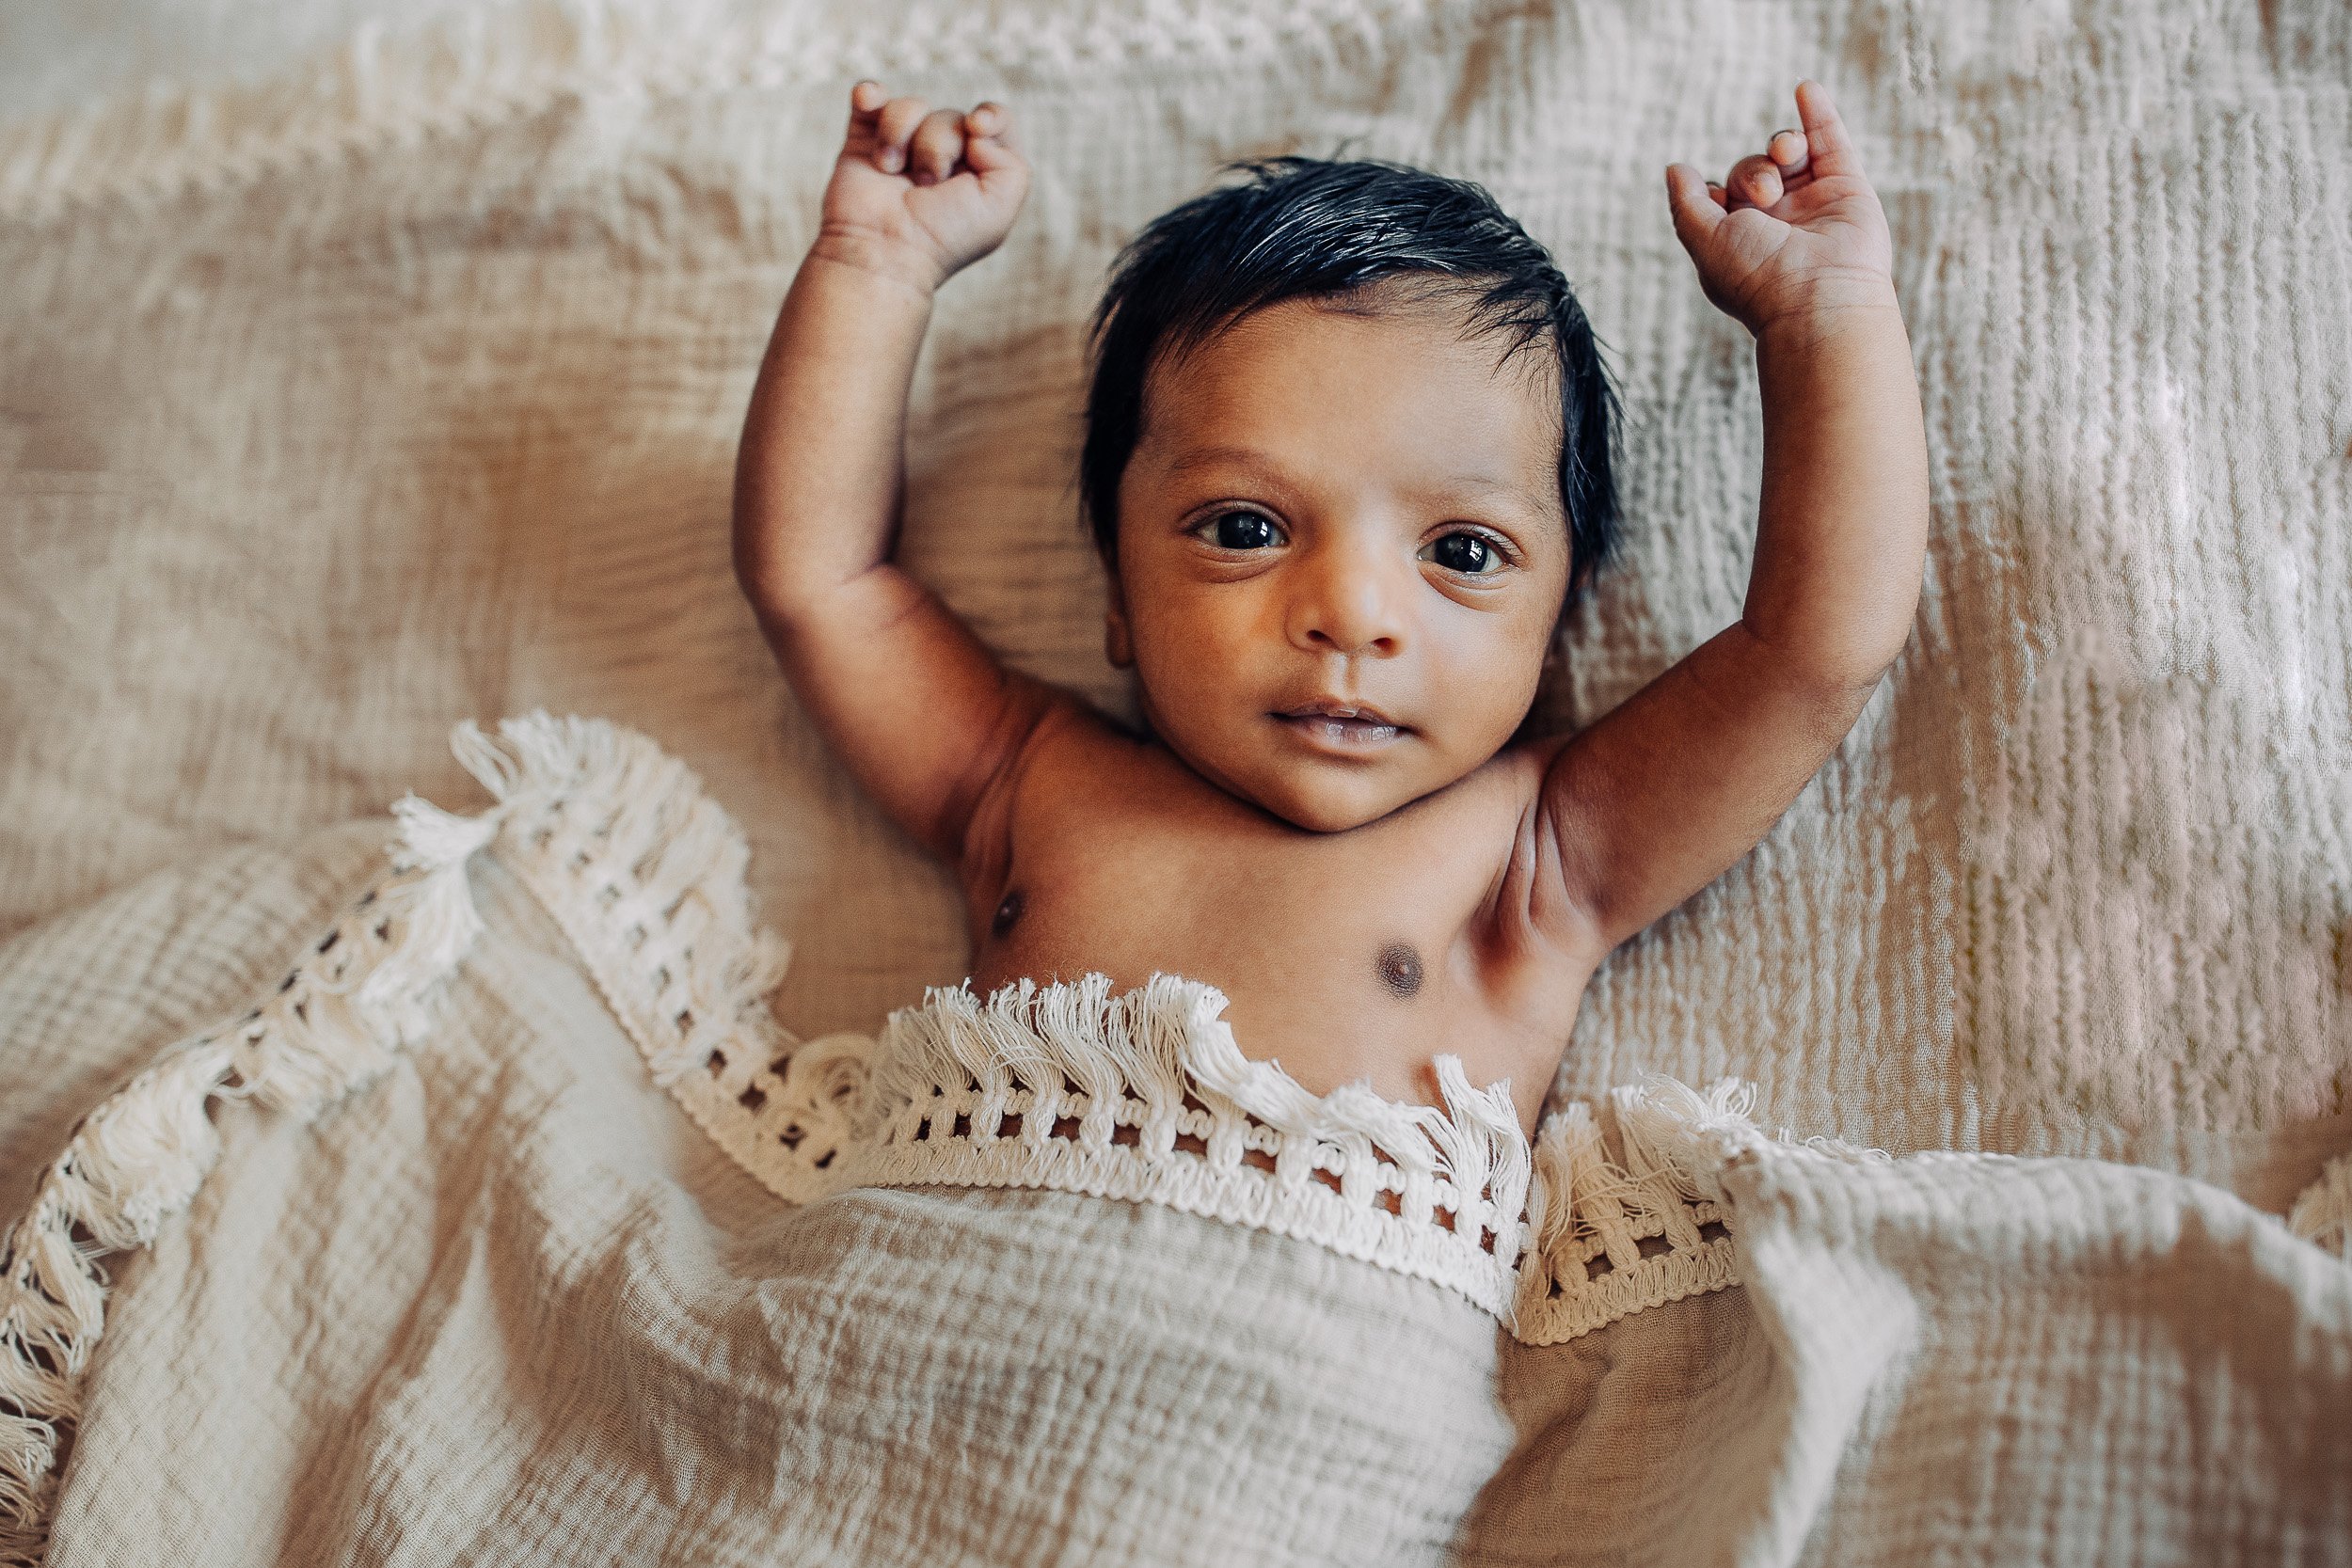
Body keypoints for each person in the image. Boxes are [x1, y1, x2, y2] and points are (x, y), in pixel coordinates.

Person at [732, 77, 1927, 1148]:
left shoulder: (1538, 855)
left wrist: (1824, 319)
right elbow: (819, 578)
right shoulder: (1021, 778)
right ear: (1116, 595)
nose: (1350, 615)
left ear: (1559, 624)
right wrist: (871, 266)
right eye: (1245, 528)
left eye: (1461, 550)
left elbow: (1813, 649)